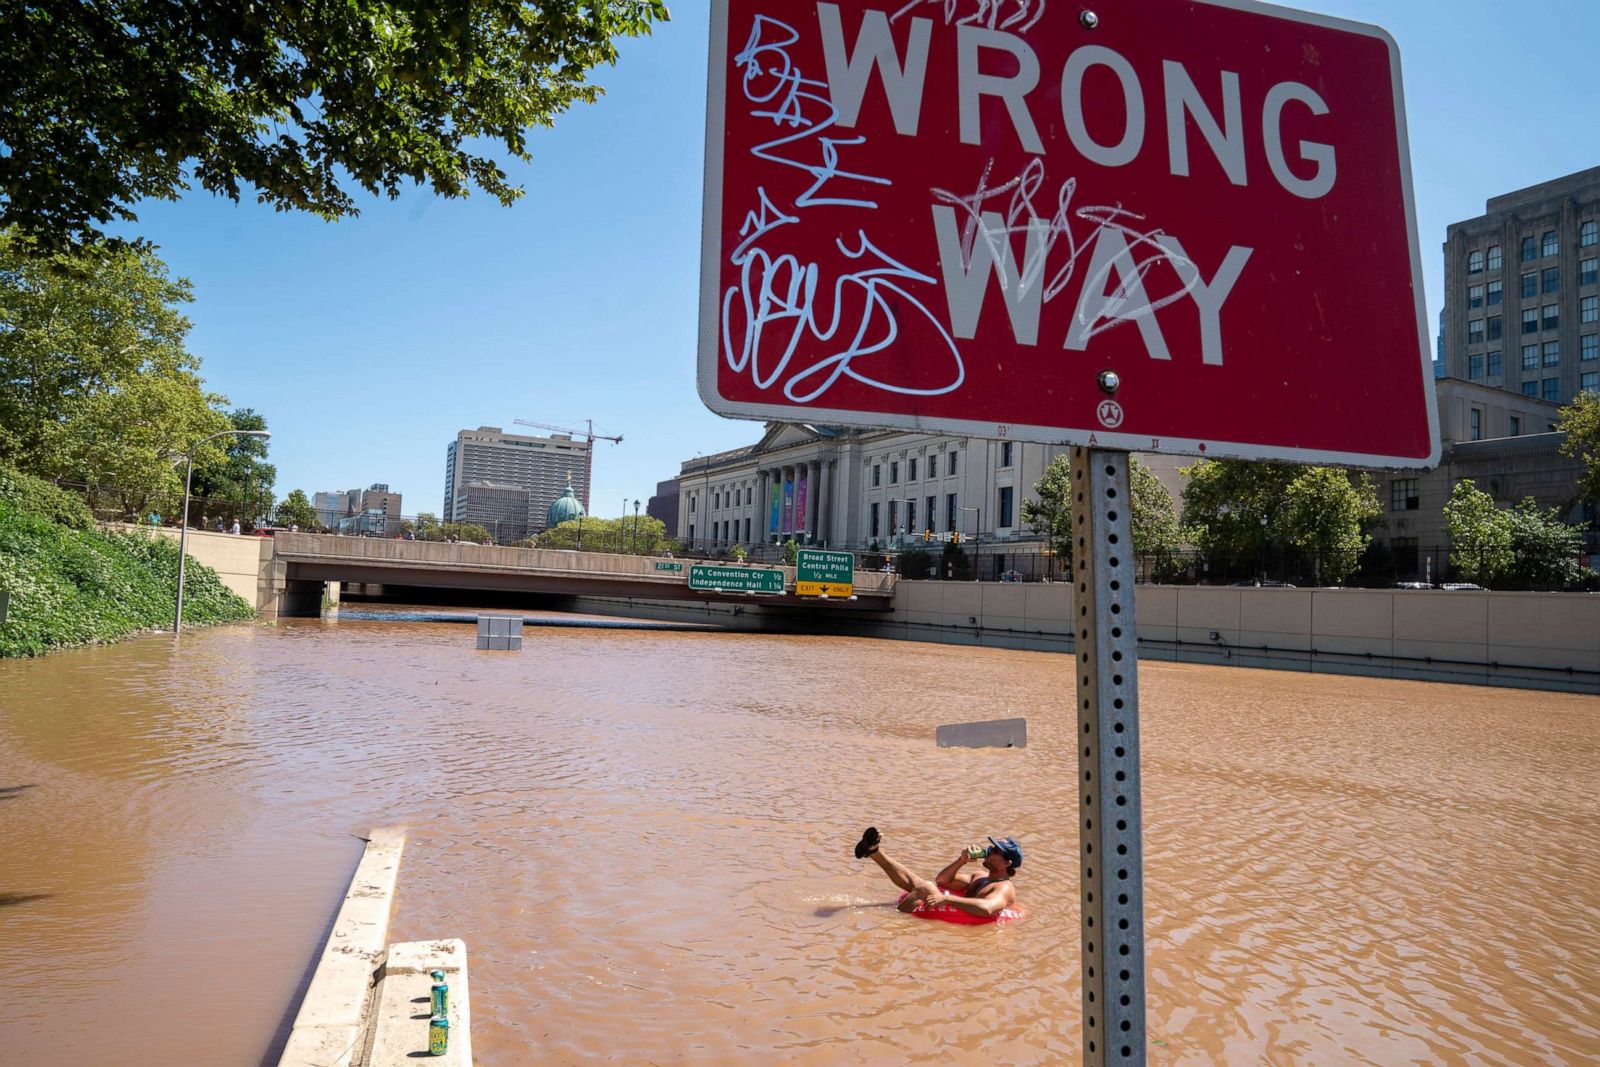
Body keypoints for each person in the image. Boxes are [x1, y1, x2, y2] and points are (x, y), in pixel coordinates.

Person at [854, 827, 1021, 919]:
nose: (989, 851)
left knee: (926, 887)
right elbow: (942, 880)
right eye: (990, 847)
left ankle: (894, 918)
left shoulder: (1005, 888)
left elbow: (987, 909)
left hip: (971, 916)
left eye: (995, 851)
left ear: (1007, 863)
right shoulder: (979, 876)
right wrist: (961, 860)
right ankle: (874, 852)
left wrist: (946, 898)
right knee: (922, 883)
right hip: (958, 905)